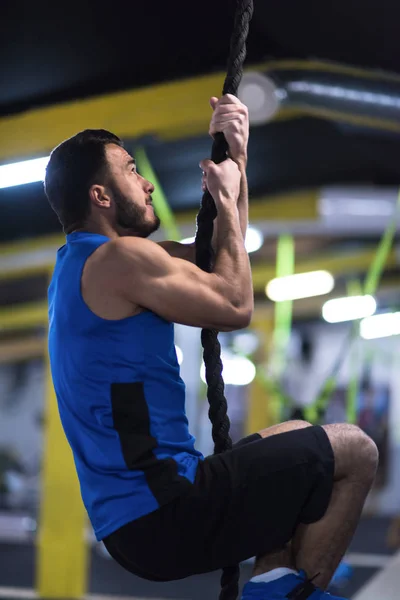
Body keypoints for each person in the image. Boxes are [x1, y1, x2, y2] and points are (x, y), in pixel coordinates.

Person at [45, 95, 378, 600]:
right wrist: (222, 199)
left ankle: (273, 586)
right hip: (165, 511)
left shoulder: (81, 266)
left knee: (298, 438)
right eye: (132, 171)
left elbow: (222, 254)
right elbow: (235, 303)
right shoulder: (119, 260)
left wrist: (238, 160)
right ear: (101, 195)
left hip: (137, 523)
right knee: (357, 449)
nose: (147, 182)